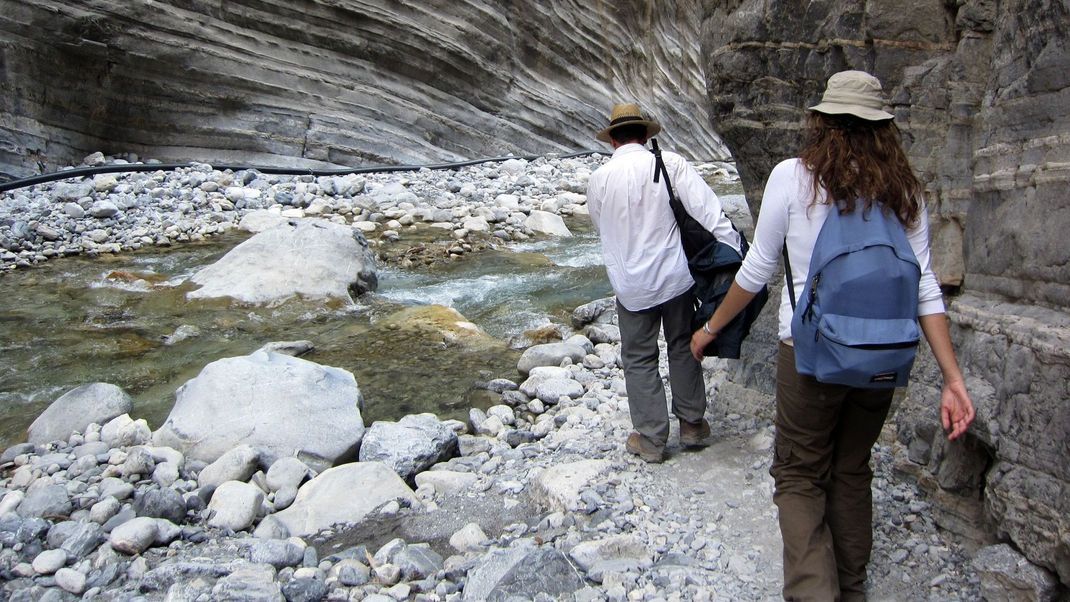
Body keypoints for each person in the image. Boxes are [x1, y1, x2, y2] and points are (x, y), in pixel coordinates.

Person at [689, 71, 976, 599]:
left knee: (799, 475)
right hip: (882, 359)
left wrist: (710, 328)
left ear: (820, 121)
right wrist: (953, 379)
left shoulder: (792, 178)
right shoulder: (905, 190)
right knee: (850, 467)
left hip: (808, 354)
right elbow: (925, 286)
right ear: (883, 128)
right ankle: (853, 588)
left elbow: (756, 272)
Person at [587, 102, 741, 463]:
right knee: (683, 345)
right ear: (645, 135)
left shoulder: (599, 179)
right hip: (675, 278)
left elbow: (601, 226)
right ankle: (691, 425)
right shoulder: (669, 164)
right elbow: (708, 211)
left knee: (639, 357)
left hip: (630, 286)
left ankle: (652, 439)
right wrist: (736, 249)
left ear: (613, 141)